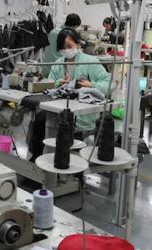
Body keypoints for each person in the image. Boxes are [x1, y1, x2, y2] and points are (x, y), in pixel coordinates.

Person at [28, 28, 111, 161]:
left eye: (69, 46)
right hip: (58, 110)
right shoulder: (58, 64)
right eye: (62, 47)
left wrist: (92, 85)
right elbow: (50, 83)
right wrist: (58, 83)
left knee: (71, 149)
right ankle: (37, 158)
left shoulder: (90, 62)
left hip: (82, 115)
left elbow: (109, 84)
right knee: (40, 118)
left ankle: (73, 172)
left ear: (78, 43)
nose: (66, 50)